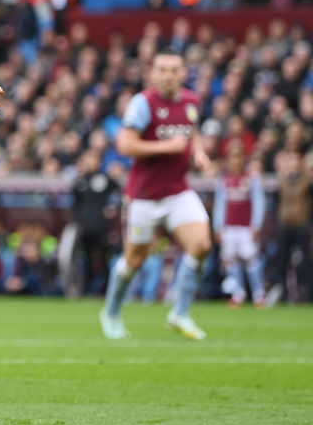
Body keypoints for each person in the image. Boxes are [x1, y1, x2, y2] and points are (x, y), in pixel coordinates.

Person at [100, 48, 213, 341]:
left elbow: (192, 132)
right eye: (162, 70)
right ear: (152, 74)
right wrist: (165, 147)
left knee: (201, 245)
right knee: (134, 261)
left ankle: (180, 313)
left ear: (184, 73)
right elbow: (125, 145)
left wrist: (199, 154)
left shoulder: (191, 101)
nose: (168, 75)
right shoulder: (143, 104)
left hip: (178, 191)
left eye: (174, 70)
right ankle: (111, 313)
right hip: (144, 196)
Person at [212, 146, 266, 308]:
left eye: (238, 157)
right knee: (231, 261)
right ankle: (238, 294)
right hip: (229, 227)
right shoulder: (224, 180)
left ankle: (258, 294)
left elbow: (259, 203)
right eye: (232, 158)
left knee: (251, 260)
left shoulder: (251, 179)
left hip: (246, 228)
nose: (236, 161)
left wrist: (256, 224)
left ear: (243, 159)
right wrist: (218, 227)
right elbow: (220, 205)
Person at [71, 150, 120, 296]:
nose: (90, 163)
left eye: (93, 159)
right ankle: (86, 290)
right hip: (84, 228)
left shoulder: (105, 179)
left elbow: (119, 193)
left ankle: (107, 291)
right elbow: (75, 203)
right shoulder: (79, 182)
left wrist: (113, 207)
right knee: (85, 260)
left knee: (104, 259)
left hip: (101, 227)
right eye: (87, 159)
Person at [267, 151, 312, 304]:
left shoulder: (307, 181)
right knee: (281, 261)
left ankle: (307, 291)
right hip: (285, 225)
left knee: (306, 261)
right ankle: (281, 292)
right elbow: (276, 204)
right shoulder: (282, 182)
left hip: (301, 225)